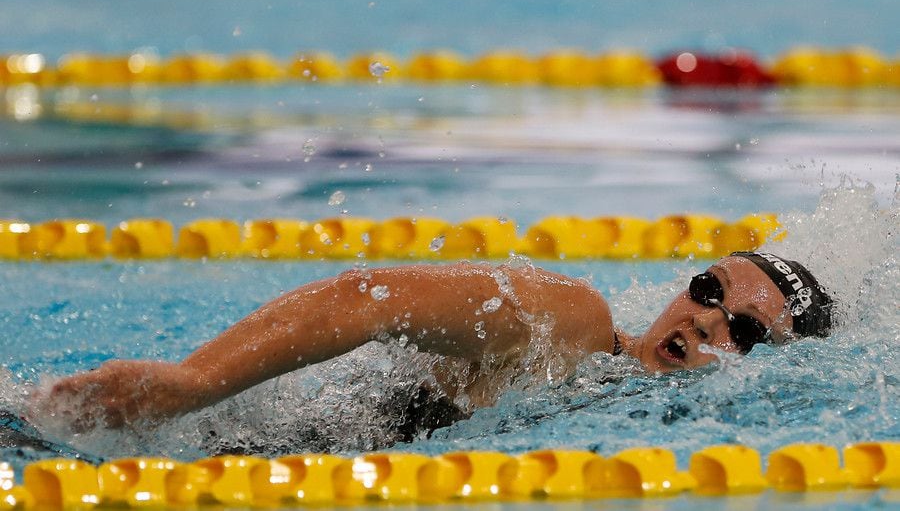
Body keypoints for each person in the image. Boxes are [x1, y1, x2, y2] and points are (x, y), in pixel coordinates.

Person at [34, 251, 833, 440]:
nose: (705, 319)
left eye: (747, 329)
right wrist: (191, 382)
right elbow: (368, 296)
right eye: (708, 289)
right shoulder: (572, 326)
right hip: (190, 450)